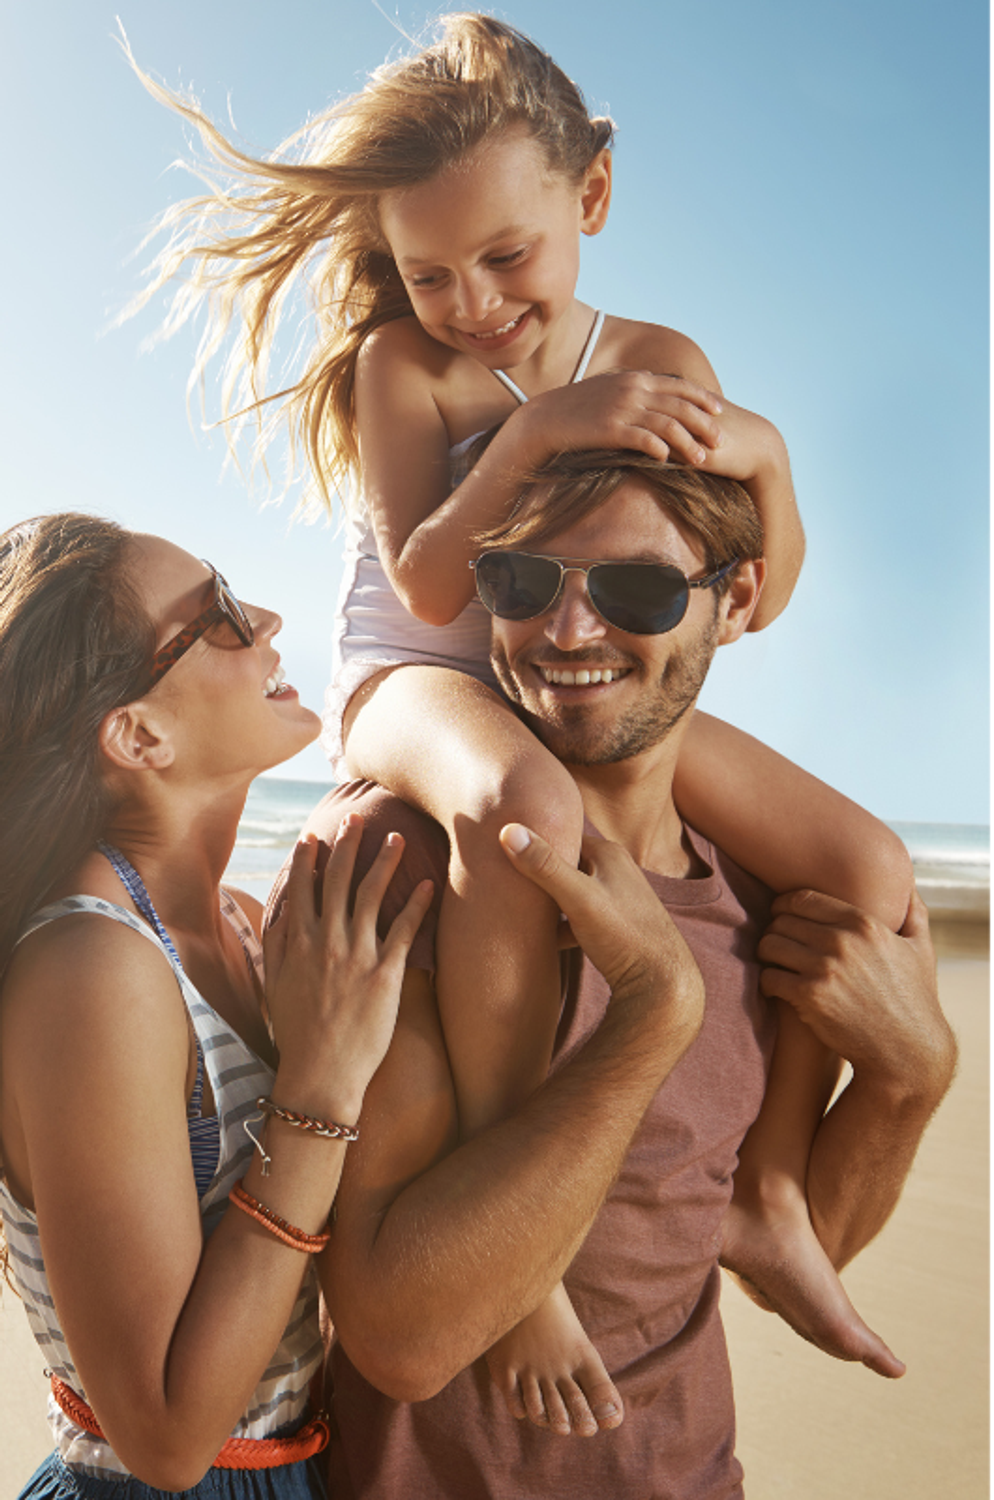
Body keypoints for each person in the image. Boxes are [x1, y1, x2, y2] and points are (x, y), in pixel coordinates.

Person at [127, 13, 906, 1410]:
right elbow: (429, 587)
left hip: (569, 666)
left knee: (870, 865)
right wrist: (543, 429)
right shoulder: (405, 369)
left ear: (590, 197)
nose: (474, 303)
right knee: (524, 815)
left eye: (507, 257)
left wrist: (772, 458)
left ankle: (773, 1191)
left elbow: (751, 589)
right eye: (430, 273)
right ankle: (524, 1255)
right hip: (417, 683)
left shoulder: (662, 349)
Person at [263, 449, 956, 1494]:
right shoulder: (399, 866)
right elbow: (402, 1340)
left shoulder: (768, 897)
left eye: (636, 588)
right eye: (521, 582)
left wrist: (909, 1081)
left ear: (737, 600)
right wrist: (653, 1014)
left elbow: (797, 1243)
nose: (568, 631)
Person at [0, 513, 439, 1497]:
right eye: (222, 617)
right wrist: (319, 1091)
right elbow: (163, 1440)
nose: (270, 617)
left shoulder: (243, 925)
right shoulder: (93, 971)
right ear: (139, 734)